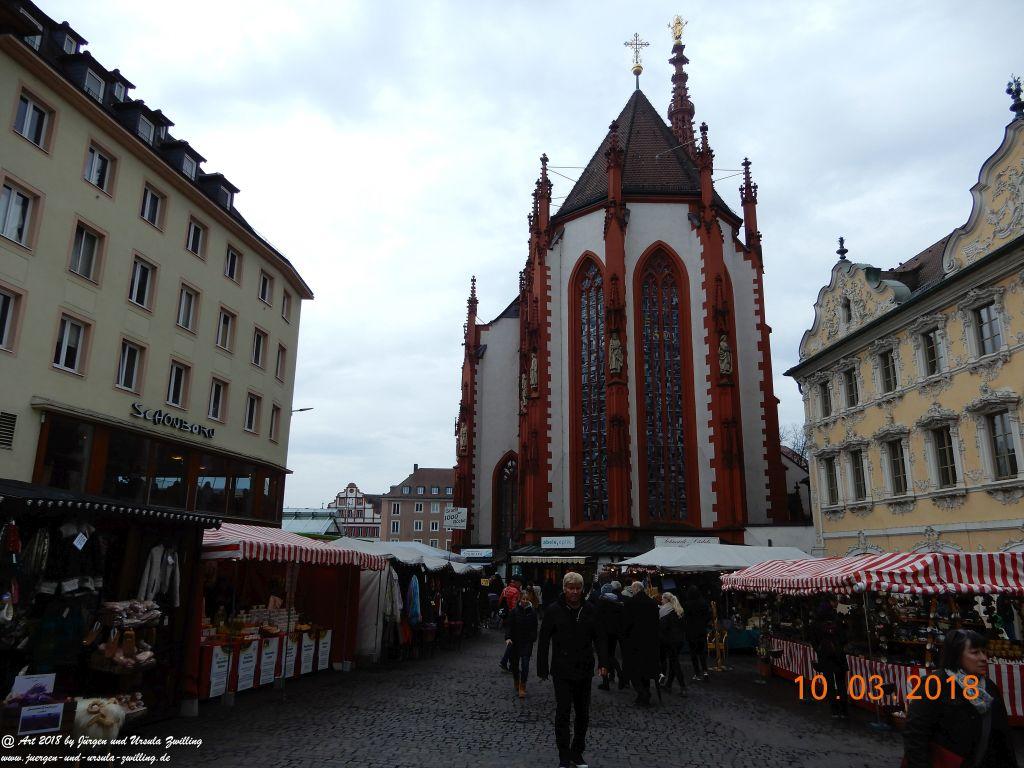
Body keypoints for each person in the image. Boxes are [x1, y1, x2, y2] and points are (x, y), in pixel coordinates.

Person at [903, 629, 1018, 768]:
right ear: (957, 655)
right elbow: (916, 733)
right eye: (975, 653)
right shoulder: (935, 684)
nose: (984, 658)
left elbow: (1002, 737)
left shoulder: (989, 688)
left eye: (984, 651)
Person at [538, 571, 608, 768]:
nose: (574, 592)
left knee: (583, 713)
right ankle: (563, 754)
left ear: (582, 589)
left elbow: (600, 637)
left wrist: (604, 663)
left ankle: (577, 752)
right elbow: (543, 640)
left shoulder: (591, 610)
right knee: (563, 712)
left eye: (577, 588)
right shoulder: (553, 610)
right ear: (564, 589)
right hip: (561, 669)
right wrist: (542, 667)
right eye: (571, 588)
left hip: (584, 668)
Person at [620, 580, 660, 706]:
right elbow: (656, 623)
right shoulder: (653, 603)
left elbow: (625, 623)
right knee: (646, 669)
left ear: (635, 590)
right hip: (650, 642)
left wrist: (624, 637)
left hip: (634, 642)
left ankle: (642, 692)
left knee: (634, 669)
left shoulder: (630, 603)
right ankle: (644, 692)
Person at [808, 600, 849, 719]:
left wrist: (820, 650)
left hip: (825, 657)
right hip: (839, 656)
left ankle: (834, 709)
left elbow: (813, 640)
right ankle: (844, 709)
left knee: (830, 684)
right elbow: (844, 638)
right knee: (841, 683)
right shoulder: (837, 621)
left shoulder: (816, 623)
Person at [505, 590, 539, 698]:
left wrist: (532, 638)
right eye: (523, 599)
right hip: (515, 641)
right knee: (515, 665)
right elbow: (509, 626)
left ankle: (522, 685)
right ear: (520, 599)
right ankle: (516, 679)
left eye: (527, 599)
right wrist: (508, 638)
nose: (524, 601)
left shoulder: (532, 612)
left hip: (527, 642)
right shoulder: (514, 611)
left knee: (525, 665)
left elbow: (535, 627)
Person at [595, 583, 624, 691]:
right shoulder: (617, 603)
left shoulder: (601, 602)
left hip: (602, 634)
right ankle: (619, 674)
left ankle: (605, 682)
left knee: (602, 658)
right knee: (611, 656)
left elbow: (596, 619)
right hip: (614, 634)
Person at [658, 592, 686, 694]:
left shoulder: (665, 612)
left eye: (662, 599)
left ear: (666, 600)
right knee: (674, 662)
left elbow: (662, 627)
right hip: (680, 640)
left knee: (675, 663)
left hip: (670, 641)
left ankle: (683, 687)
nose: (661, 601)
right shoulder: (679, 610)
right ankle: (669, 684)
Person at [683, 585, 711, 681]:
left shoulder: (687, 604)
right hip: (701, 630)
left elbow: (685, 618)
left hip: (691, 632)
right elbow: (708, 616)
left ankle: (697, 673)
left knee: (693, 653)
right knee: (702, 652)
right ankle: (705, 672)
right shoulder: (703, 603)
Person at [498, 576, 522, 672]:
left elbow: (500, 602)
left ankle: (509, 663)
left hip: (506, 617)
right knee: (514, 642)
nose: (520, 585)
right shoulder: (515, 591)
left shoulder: (505, 589)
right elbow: (514, 606)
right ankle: (506, 662)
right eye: (520, 583)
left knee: (512, 641)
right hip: (513, 618)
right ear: (517, 582)